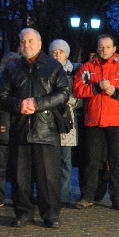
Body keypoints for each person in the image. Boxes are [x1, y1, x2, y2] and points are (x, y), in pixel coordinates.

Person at [0, 28, 70, 228]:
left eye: (30, 41)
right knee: (20, 177)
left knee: (48, 177)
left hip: (46, 128)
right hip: (20, 129)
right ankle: (24, 213)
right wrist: (18, 105)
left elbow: (64, 93)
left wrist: (38, 103)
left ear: (39, 43)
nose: (26, 45)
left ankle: (51, 214)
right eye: (23, 41)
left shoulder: (53, 66)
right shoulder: (12, 69)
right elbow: (1, 96)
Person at [72, 34, 119, 211]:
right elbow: (77, 89)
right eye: (101, 47)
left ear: (114, 49)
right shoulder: (87, 67)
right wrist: (96, 87)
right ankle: (87, 197)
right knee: (91, 160)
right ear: (97, 48)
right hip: (93, 120)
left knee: (116, 161)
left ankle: (118, 198)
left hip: (115, 121)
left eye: (108, 46)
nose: (104, 50)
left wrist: (117, 93)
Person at [49, 39, 82, 207]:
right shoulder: (46, 70)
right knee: (49, 162)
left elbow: (79, 98)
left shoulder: (74, 73)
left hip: (67, 120)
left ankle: (63, 196)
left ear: (66, 54)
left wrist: (65, 101)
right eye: (54, 52)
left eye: (60, 52)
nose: (57, 55)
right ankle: (49, 195)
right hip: (49, 120)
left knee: (65, 162)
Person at [0, 52, 21, 208]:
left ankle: (17, 196)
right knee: (0, 166)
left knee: (17, 167)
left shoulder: (21, 83)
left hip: (16, 128)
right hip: (2, 127)